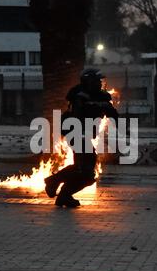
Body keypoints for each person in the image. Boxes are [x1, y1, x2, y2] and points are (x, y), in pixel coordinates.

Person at [44, 68, 119, 208]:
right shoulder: (79, 95)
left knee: (86, 172)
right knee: (86, 170)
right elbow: (76, 117)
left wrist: (118, 121)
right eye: (97, 80)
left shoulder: (102, 96)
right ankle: (55, 183)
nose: (99, 83)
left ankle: (62, 194)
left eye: (100, 81)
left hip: (86, 135)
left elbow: (112, 114)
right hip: (76, 133)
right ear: (88, 81)